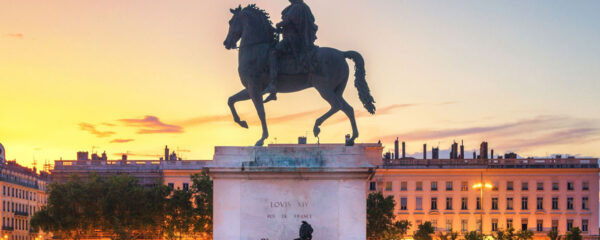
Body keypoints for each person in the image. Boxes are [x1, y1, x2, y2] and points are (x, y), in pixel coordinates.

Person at [264, 0, 318, 103]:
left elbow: (288, 21)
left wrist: (279, 25)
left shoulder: (297, 7)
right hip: (293, 37)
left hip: (292, 38)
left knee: (273, 53)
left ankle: (272, 84)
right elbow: (291, 24)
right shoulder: (300, 6)